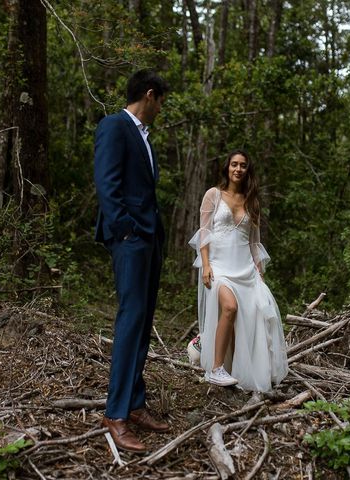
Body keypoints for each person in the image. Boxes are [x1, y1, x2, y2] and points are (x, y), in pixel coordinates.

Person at [94, 69, 170, 453]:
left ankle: (135, 403)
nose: (161, 109)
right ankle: (116, 413)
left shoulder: (143, 135)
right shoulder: (114, 126)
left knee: (143, 322)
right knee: (130, 317)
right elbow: (106, 185)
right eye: (161, 102)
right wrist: (125, 231)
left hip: (148, 240)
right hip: (130, 240)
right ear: (150, 95)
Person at [189, 150, 288, 392]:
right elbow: (204, 232)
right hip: (219, 266)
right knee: (230, 307)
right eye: (234, 164)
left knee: (256, 314)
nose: (238, 169)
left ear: (247, 170)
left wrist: (259, 270)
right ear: (227, 168)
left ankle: (239, 367)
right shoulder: (213, 195)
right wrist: (206, 264)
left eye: (243, 165)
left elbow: (255, 242)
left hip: (246, 269)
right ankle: (215, 369)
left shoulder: (251, 201)